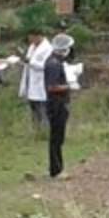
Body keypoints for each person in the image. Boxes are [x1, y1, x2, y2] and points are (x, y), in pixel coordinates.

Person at [44, 34, 75, 179]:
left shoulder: (56, 62)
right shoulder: (54, 64)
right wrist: (69, 86)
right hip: (56, 104)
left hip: (59, 102)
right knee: (56, 137)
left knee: (58, 137)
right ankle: (56, 170)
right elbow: (52, 87)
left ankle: (56, 167)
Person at [19, 29, 53, 130]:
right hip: (31, 82)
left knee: (42, 109)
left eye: (32, 38)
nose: (31, 40)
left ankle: (45, 130)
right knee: (33, 108)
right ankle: (36, 129)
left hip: (41, 83)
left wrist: (31, 62)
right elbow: (28, 62)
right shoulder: (32, 47)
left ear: (39, 36)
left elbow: (46, 66)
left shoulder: (48, 48)